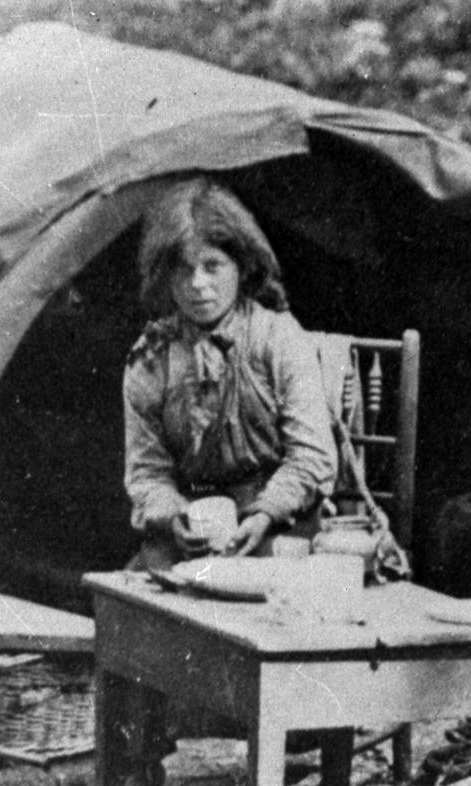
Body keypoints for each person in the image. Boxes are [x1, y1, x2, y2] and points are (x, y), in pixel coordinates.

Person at [122, 177, 337, 569]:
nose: (198, 284)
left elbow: (312, 455)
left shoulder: (278, 338)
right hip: (194, 531)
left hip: (279, 525)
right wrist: (174, 518)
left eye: (212, 266)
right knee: (142, 591)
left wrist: (265, 513)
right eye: (183, 270)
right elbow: (146, 471)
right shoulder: (152, 357)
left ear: (242, 265)